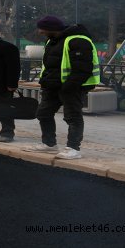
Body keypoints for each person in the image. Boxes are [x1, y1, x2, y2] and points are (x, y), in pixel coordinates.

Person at [22, 15, 100, 160]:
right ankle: (49, 144)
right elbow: (50, 65)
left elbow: (83, 68)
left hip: (72, 87)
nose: (40, 32)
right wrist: (45, 82)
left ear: (52, 29)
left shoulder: (78, 40)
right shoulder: (52, 41)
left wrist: (69, 86)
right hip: (52, 86)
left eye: (42, 29)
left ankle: (73, 148)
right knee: (43, 113)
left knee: (72, 116)